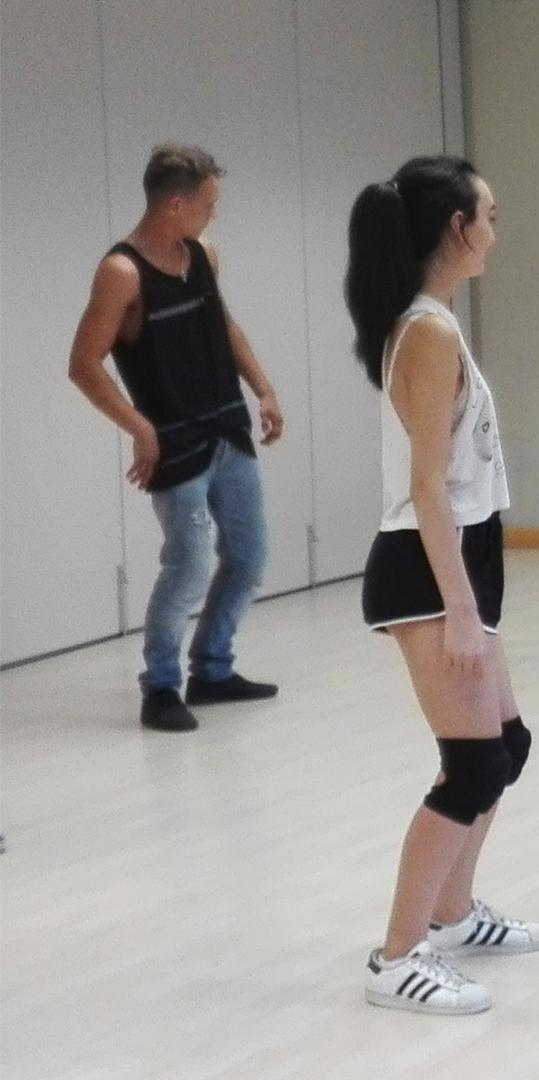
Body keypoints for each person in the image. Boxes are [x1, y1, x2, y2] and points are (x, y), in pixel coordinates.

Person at [345, 155, 539, 1015]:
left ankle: (453, 914)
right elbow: (426, 486)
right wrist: (462, 611)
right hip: (428, 567)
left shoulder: (434, 323)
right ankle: (397, 957)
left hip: (462, 555)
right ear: (457, 229)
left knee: (507, 746)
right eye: (488, 215)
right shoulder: (426, 332)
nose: (495, 231)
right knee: (471, 767)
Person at [68, 143, 282, 733]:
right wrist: (139, 427)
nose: (215, 214)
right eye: (208, 204)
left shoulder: (203, 254)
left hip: (227, 430)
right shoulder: (122, 273)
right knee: (188, 565)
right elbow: (84, 364)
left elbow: (224, 325)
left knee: (248, 558)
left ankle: (212, 669)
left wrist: (263, 388)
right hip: (174, 441)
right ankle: (161, 686)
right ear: (175, 205)